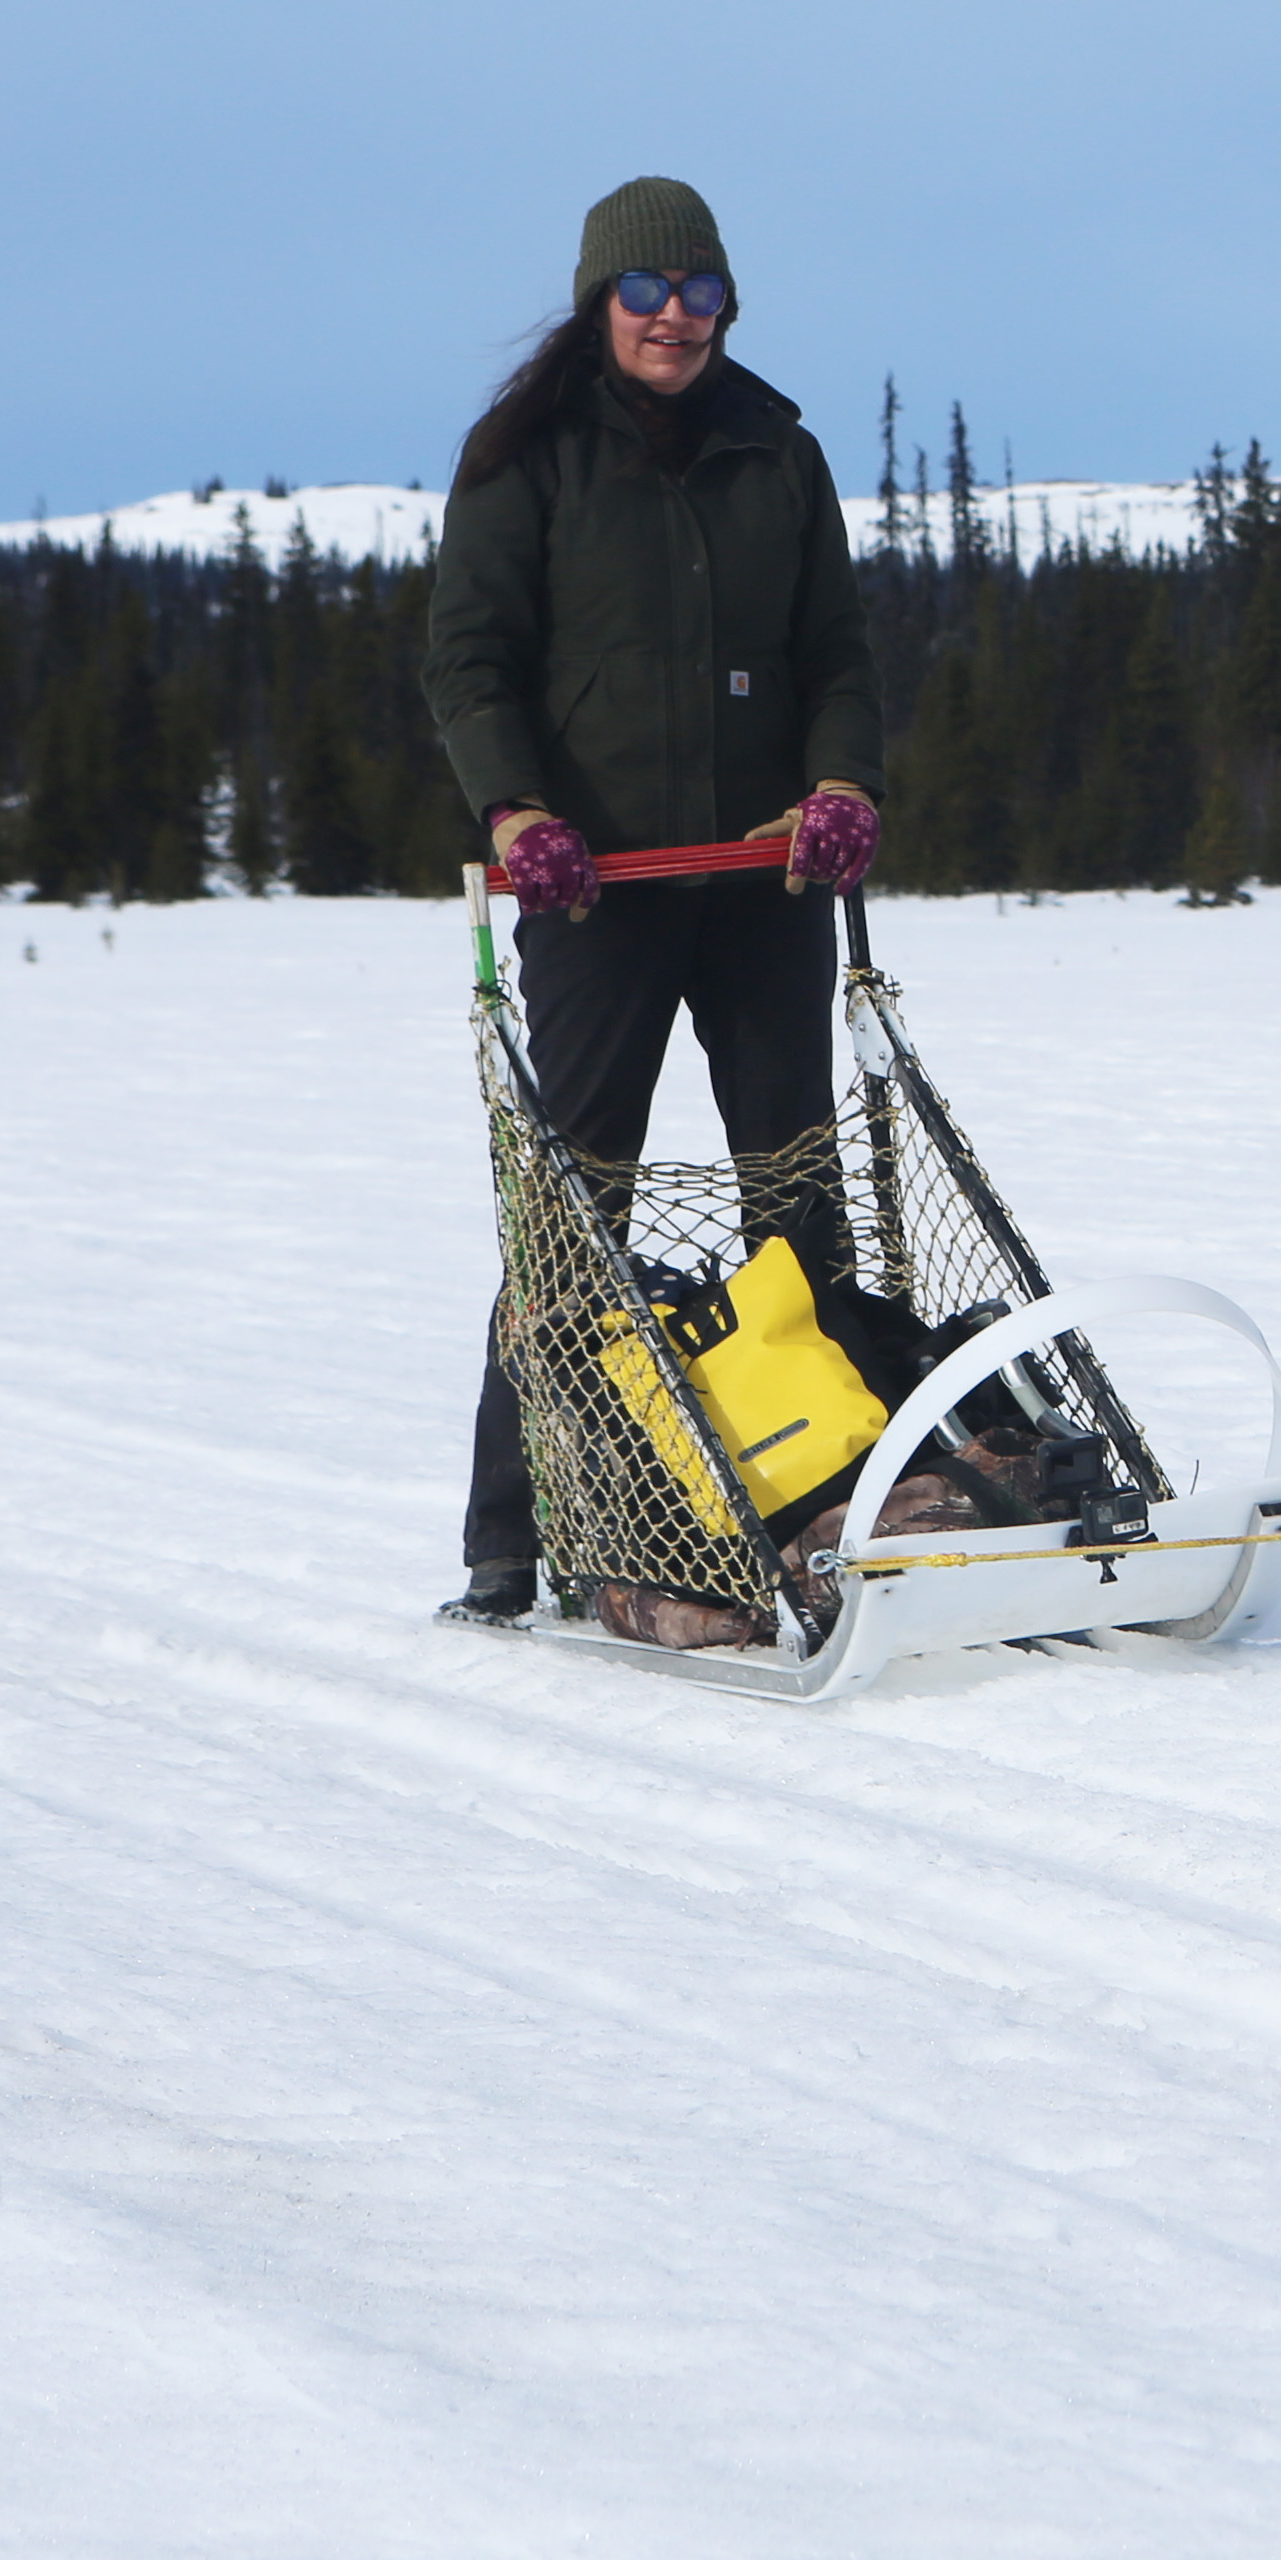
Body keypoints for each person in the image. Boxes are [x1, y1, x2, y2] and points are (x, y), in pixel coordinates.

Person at [421, 176, 886, 1627]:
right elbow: (469, 664)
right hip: (596, 894)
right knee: (578, 1216)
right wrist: (517, 810)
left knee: (795, 1199)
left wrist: (843, 785)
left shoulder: (776, 453)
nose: (673, 317)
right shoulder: (526, 458)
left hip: (762, 884)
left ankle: (835, 1498)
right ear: (597, 302)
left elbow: (839, 661)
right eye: (645, 291)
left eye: (698, 290)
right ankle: (514, 1537)